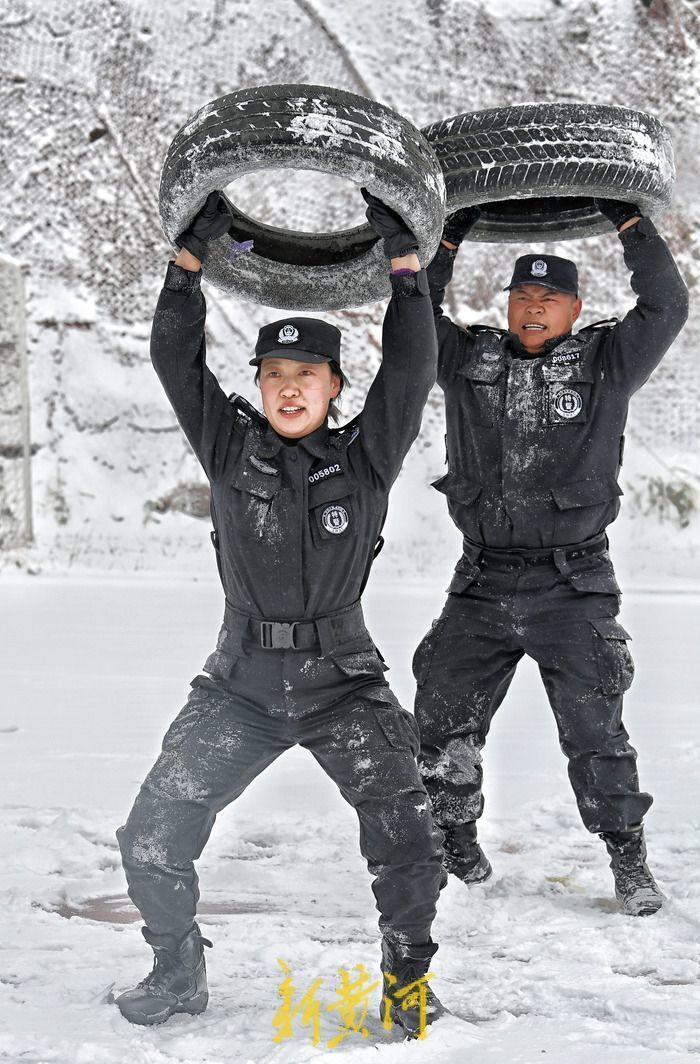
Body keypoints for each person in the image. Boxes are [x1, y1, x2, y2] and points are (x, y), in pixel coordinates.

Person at [115, 189, 447, 1036]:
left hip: (344, 683)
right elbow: (173, 360)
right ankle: (176, 967)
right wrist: (187, 268)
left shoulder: (366, 458)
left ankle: (408, 986)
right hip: (241, 686)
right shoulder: (228, 448)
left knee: (408, 839)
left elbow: (411, 370)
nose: (289, 388)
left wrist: (407, 273)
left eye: (307, 376)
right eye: (274, 374)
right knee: (151, 834)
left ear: (335, 387)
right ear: (257, 385)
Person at [413, 198, 689, 916]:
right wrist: (444, 238)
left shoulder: (606, 362)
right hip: (482, 578)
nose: (533, 307)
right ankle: (456, 839)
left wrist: (628, 223)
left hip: (574, 582)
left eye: (550, 297)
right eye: (522, 295)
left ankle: (628, 859)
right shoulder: (466, 358)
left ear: (574, 307)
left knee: (596, 730)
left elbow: (665, 303)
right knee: (442, 715)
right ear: (506, 304)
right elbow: (410, 313)